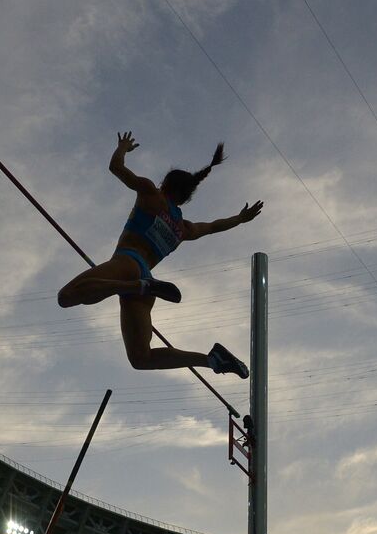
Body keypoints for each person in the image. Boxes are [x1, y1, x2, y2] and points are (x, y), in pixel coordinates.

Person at [57, 131, 263, 378]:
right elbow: (213, 227)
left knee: (66, 296)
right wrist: (240, 219)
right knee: (141, 358)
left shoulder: (150, 192)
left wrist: (122, 147)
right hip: (146, 279)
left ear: (165, 182)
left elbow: (116, 167)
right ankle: (211, 360)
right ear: (185, 199)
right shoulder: (183, 228)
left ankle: (136, 286)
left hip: (127, 263)